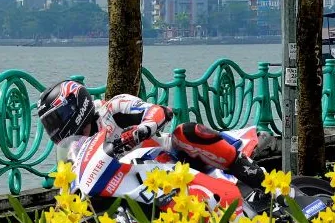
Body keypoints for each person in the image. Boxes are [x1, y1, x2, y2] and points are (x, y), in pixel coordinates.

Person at [37, 79, 265, 188]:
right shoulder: (76, 148)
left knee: (185, 132)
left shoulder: (112, 108)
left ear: (75, 108)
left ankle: (255, 177)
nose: (54, 129)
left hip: (169, 159)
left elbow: (156, 111)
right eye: (49, 124)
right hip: (129, 182)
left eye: (56, 120)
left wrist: (142, 129)